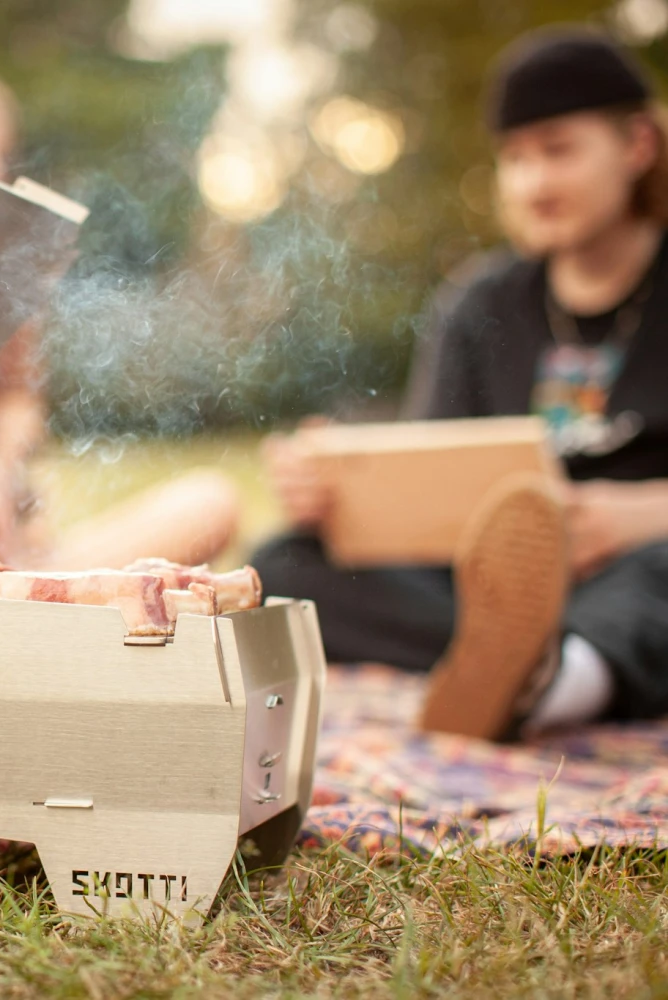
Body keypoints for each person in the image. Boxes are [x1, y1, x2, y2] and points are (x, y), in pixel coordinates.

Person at [256, 27, 668, 741]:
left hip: (641, 563)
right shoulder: (480, 305)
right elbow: (433, 478)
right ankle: (525, 664)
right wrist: (339, 496)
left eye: (559, 150)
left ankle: (554, 675)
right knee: (286, 566)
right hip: (489, 582)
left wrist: (639, 514)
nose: (533, 183)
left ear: (637, 145)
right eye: (515, 158)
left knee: (653, 577)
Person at [0, 58, 242, 590]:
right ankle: (25, 599)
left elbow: (20, 395)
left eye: (0, 151)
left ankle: (27, 595)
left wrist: (2, 466)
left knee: (211, 502)